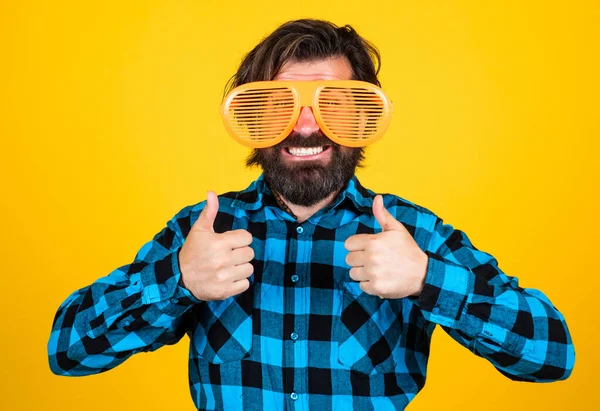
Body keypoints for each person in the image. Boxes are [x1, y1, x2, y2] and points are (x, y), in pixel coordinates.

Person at [47, 18, 575, 411]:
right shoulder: (203, 234)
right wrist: (176, 280)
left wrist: (429, 279)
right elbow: (67, 352)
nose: (305, 123)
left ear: (362, 117)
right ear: (251, 119)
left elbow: (553, 355)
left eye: (334, 103)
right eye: (277, 104)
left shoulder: (412, 234)